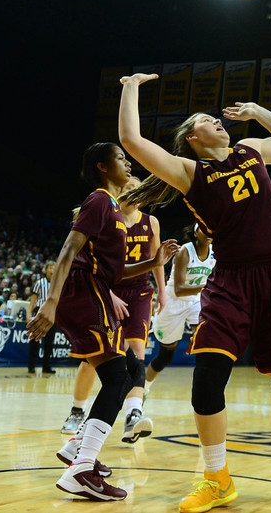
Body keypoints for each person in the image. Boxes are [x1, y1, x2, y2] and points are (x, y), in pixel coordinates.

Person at [118, 74, 271, 513]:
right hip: (231, 280)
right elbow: (131, 139)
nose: (219, 122)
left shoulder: (252, 150)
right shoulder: (189, 171)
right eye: (209, 119)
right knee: (206, 379)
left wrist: (257, 112)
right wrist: (130, 85)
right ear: (192, 136)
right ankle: (217, 477)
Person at [26, 142, 179, 502]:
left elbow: (117, 269)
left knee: (125, 369)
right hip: (82, 292)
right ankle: (82, 466)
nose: (127, 163)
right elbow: (68, 250)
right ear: (102, 167)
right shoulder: (97, 200)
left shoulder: (113, 207)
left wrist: (153, 261)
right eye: (121, 159)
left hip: (92, 289)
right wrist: (50, 301)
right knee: (118, 376)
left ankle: (77, 447)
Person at [59, 176, 167, 443]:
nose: (134, 191)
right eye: (129, 187)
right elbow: (89, 261)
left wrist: (163, 292)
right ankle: (77, 410)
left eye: (138, 188)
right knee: (92, 358)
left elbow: (156, 261)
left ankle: (133, 417)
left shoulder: (151, 222)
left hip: (139, 290)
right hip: (106, 288)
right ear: (119, 192)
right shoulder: (107, 216)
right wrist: (108, 294)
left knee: (137, 351)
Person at [144, 222, 215, 395]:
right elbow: (179, 289)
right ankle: (144, 388)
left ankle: (208, 384)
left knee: (206, 336)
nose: (207, 233)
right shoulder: (185, 251)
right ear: (195, 233)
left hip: (196, 300)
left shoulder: (215, 252)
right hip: (174, 301)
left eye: (210, 230)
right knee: (165, 357)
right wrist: (207, 287)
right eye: (202, 230)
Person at [29, 262, 56, 375]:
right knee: (35, 340)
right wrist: (29, 314)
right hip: (39, 311)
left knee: (49, 342)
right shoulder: (40, 283)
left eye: (54, 268)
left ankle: (46, 366)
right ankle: (31, 366)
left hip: (52, 313)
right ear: (46, 270)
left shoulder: (58, 284)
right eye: (50, 268)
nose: (52, 270)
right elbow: (33, 299)